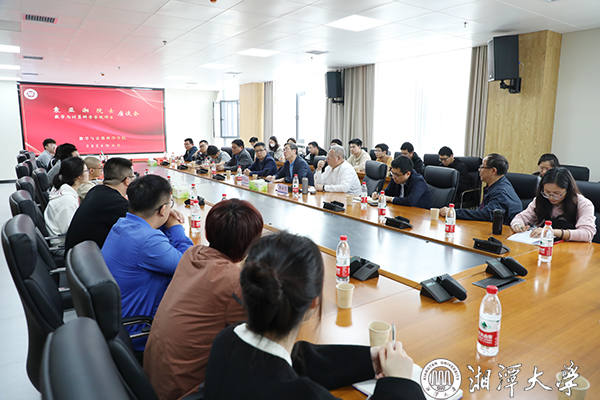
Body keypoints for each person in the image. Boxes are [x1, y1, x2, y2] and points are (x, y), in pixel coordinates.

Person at [203, 232, 426, 400]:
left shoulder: (225, 339)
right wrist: (400, 383)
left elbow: (298, 358)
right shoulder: (304, 394)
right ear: (313, 302)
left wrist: (370, 359)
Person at [144, 199, 264, 400]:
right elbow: (261, 334)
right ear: (254, 244)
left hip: (154, 379)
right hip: (186, 391)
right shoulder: (234, 282)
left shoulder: (191, 254)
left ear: (207, 234)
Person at [101, 175, 193, 350]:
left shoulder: (122, 224)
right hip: (139, 332)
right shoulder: (147, 241)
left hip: (117, 321)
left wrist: (163, 223)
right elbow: (189, 263)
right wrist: (175, 226)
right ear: (163, 209)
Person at [65, 157, 134, 255]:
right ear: (127, 180)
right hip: (89, 260)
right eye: (133, 177)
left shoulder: (95, 191)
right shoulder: (116, 203)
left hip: (76, 256)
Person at [511, 167, 596, 242]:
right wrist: (518, 225)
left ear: (568, 191)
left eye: (557, 193)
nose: (551, 197)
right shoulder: (541, 199)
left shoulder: (583, 204)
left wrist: (551, 231)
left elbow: (587, 233)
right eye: (547, 192)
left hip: (574, 249)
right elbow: (521, 217)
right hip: (544, 245)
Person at [440, 153, 522, 224]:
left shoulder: (501, 192)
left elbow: (485, 215)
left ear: (493, 171)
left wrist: (453, 212)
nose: (479, 170)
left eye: (482, 167)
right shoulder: (496, 184)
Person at [44, 156, 89, 238]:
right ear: (79, 175)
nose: (88, 173)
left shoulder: (63, 189)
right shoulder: (67, 200)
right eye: (86, 171)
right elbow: (70, 231)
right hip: (63, 243)